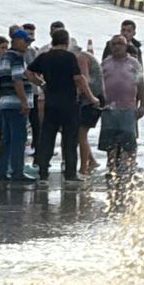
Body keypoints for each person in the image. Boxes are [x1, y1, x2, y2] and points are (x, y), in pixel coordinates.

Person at [28, 26, 98, 181]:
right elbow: (79, 79)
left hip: (51, 103)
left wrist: (42, 84)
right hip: (69, 104)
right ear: (66, 42)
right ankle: (70, 174)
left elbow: (28, 73)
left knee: (47, 137)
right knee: (69, 139)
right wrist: (92, 98)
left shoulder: (44, 57)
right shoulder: (69, 57)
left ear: (53, 41)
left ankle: (43, 172)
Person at [98, 34, 144, 180]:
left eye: (120, 44)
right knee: (110, 141)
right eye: (114, 44)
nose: (117, 47)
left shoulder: (134, 64)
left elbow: (141, 86)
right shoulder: (105, 64)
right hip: (109, 109)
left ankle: (128, 167)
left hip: (128, 108)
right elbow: (98, 85)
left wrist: (142, 105)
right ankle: (112, 168)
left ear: (126, 46)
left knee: (129, 140)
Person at [0, 28, 34, 182]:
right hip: (16, 104)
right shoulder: (16, 57)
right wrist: (24, 102)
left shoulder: (4, 57)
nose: (27, 46)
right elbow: (17, 80)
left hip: (4, 103)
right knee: (19, 139)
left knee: (6, 140)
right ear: (17, 41)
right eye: (26, 42)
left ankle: (2, 171)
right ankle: (17, 172)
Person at [76, 35, 103, 176]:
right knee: (81, 133)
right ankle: (91, 160)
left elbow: (83, 79)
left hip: (92, 98)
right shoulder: (84, 56)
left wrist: (80, 95)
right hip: (92, 97)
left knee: (81, 134)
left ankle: (84, 167)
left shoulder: (80, 58)